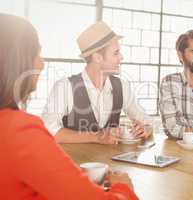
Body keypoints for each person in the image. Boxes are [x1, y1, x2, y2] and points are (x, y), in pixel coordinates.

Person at [0, 13, 138, 200]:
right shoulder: (20, 129)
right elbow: (51, 129)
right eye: (36, 54)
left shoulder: (121, 86)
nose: (41, 63)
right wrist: (123, 188)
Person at [42, 21, 152, 144]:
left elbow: (146, 121)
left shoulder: (122, 87)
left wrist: (146, 128)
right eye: (116, 53)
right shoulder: (64, 87)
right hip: (74, 162)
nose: (121, 57)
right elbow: (47, 130)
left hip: (112, 163)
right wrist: (97, 136)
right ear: (97, 57)